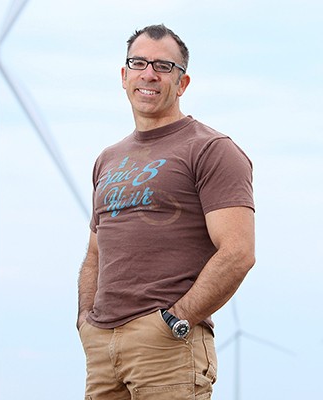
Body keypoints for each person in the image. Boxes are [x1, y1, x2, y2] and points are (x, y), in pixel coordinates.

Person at [76, 24, 255, 400]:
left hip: (165, 346)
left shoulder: (210, 149)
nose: (149, 74)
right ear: (124, 76)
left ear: (182, 82)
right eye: (138, 63)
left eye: (163, 66)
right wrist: (86, 322)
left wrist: (177, 319)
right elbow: (95, 253)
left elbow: (238, 252)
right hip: (102, 347)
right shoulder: (108, 159)